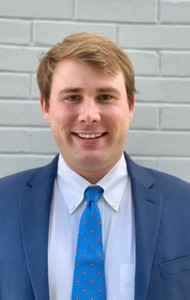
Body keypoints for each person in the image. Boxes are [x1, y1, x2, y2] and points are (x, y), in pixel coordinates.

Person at [0, 32, 190, 300]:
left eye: (105, 97)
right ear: (45, 107)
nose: (89, 115)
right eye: (73, 97)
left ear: (131, 106)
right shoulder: (3, 204)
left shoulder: (184, 205)